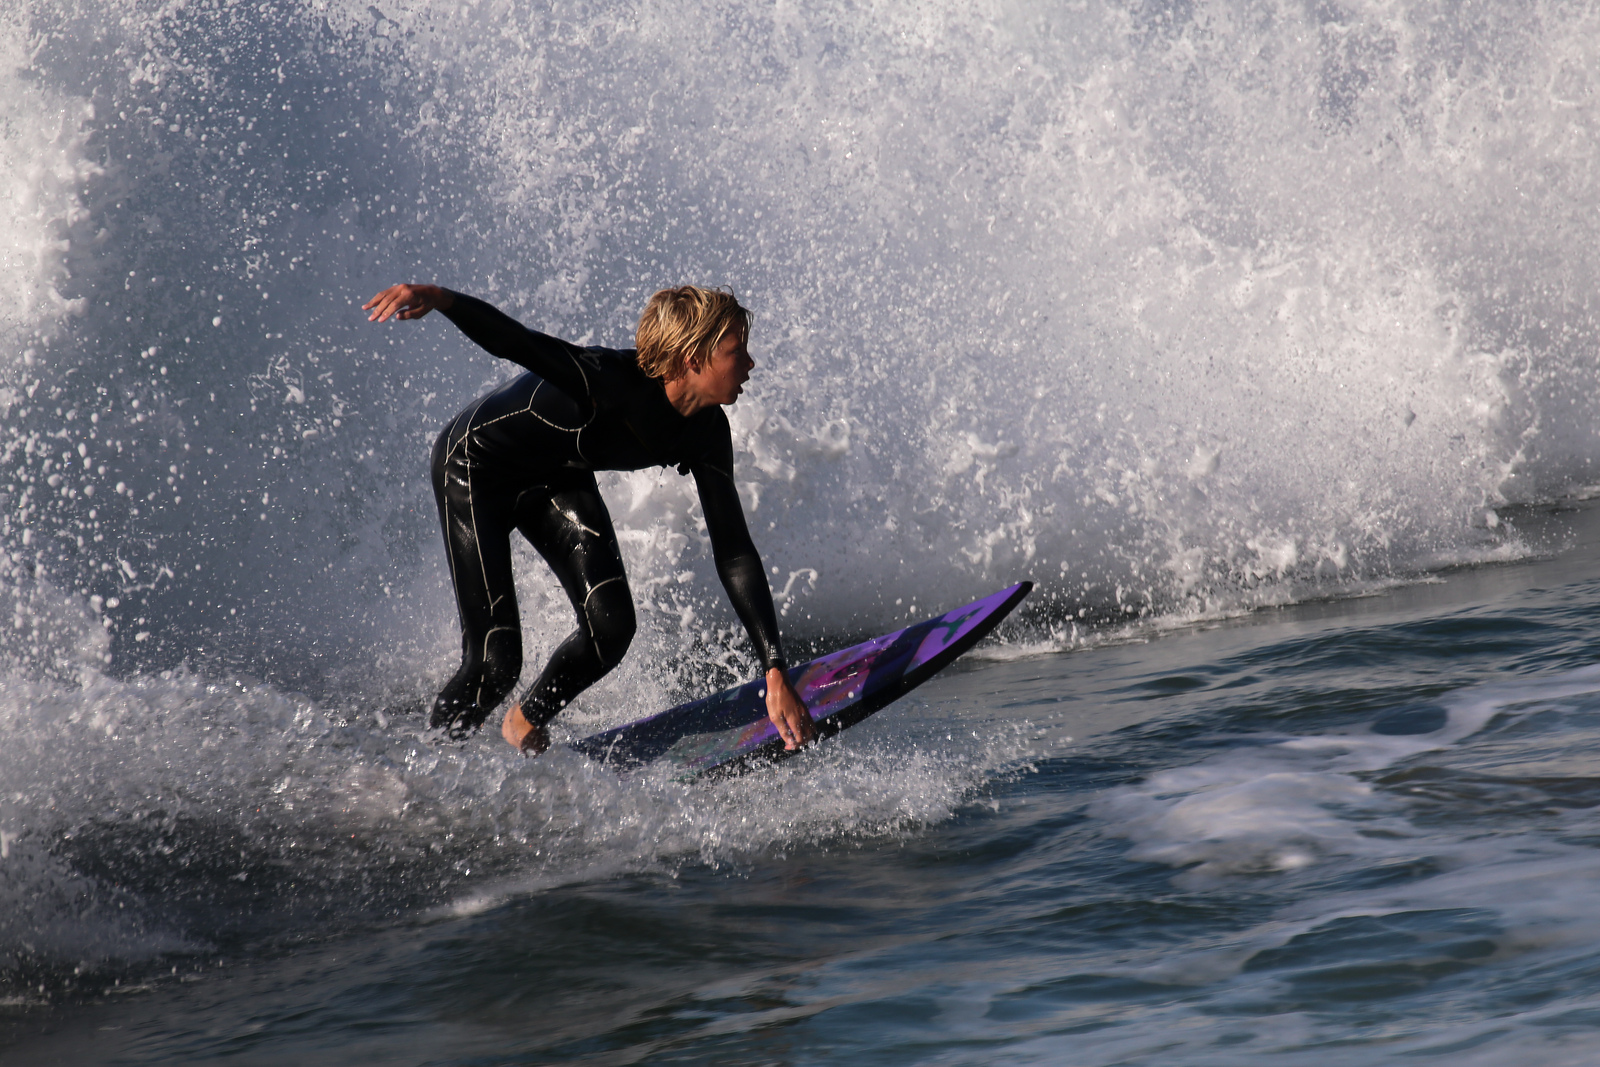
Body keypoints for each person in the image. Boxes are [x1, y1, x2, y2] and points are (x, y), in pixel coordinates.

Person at [362, 282, 815, 756]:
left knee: (612, 627)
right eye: (735, 351)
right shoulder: (609, 380)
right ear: (691, 357)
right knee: (495, 664)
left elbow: (734, 549)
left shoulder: (705, 431)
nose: (750, 363)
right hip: (476, 468)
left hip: (556, 475)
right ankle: (426, 766)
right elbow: (517, 341)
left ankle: (523, 722)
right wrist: (443, 299)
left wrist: (774, 668)